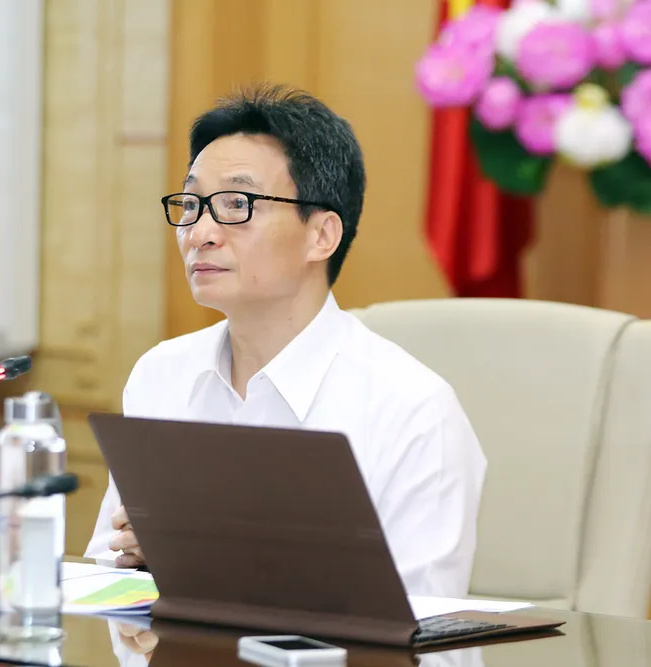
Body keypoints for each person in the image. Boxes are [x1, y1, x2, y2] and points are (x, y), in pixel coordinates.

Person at [85, 84, 486, 598]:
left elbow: (423, 625)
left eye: (237, 203)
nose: (200, 232)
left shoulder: (412, 410)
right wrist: (140, 567)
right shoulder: (162, 374)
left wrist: (210, 564)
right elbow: (108, 576)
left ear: (322, 235)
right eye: (191, 203)